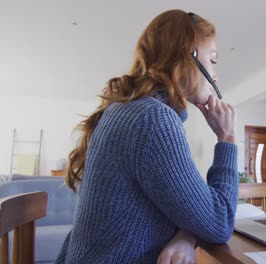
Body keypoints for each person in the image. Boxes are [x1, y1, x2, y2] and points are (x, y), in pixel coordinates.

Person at [56, 9, 238, 264]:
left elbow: (187, 206)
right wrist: (226, 137)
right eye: (213, 60)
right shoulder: (153, 121)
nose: (216, 75)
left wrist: (186, 234)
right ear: (188, 57)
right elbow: (220, 222)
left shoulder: (131, 110)